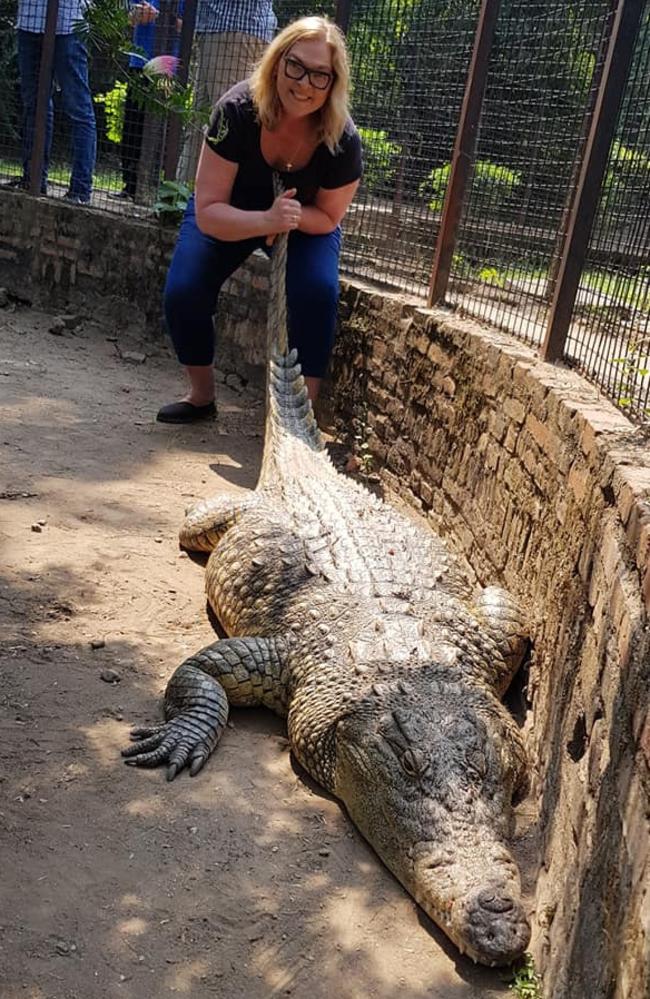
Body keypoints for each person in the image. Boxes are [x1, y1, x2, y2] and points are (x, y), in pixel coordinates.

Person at [157, 15, 362, 424]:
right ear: (278, 60)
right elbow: (209, 210)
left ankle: (300, 423)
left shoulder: (343, 140)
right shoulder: (235, 111)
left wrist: (286, 219)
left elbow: (329, 216)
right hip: (231, 211)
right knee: (184, 292)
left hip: (302, 219)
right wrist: (264, 221)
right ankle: (201, 395)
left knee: (316, 293)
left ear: (333, 82)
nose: (304, 84)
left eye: (320, 75)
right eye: (296, 66)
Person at [177, 0, 277, 184]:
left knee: (228, 124)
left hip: (231, 31)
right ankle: (182, 199)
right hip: (228, 30)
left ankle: (232, 201)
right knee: (201, 120)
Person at [10, 0, 97, 204]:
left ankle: (80, 190)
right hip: (29, 21)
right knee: (34, 104)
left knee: (79, 108)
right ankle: (32, 180)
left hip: (68, 26)